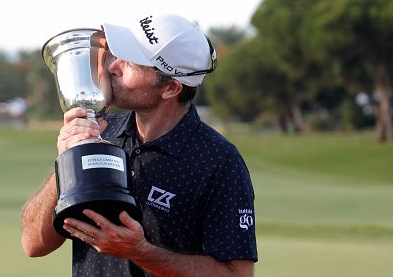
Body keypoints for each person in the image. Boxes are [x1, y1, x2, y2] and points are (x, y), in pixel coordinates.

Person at [20, 14, 258, 276]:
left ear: (170, 88)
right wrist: (67, 159)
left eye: (132, 63)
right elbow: (33, 244)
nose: (113, 67)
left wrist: (139, 251)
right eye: (117, 55)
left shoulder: (218, 161)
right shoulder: (101, 131)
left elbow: (237, 274)